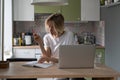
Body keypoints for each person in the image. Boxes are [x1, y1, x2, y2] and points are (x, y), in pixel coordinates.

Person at [33, 13, 85, 80]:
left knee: (76, 78)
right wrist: (40, 42)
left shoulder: (69, 35)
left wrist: (48, 59)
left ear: (59, 26)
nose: (50, 30)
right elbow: (47, 57)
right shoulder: (47, 37)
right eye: (49, 27)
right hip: (56, 69)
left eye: (53, 27)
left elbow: (68, 60)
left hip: (70, 68)